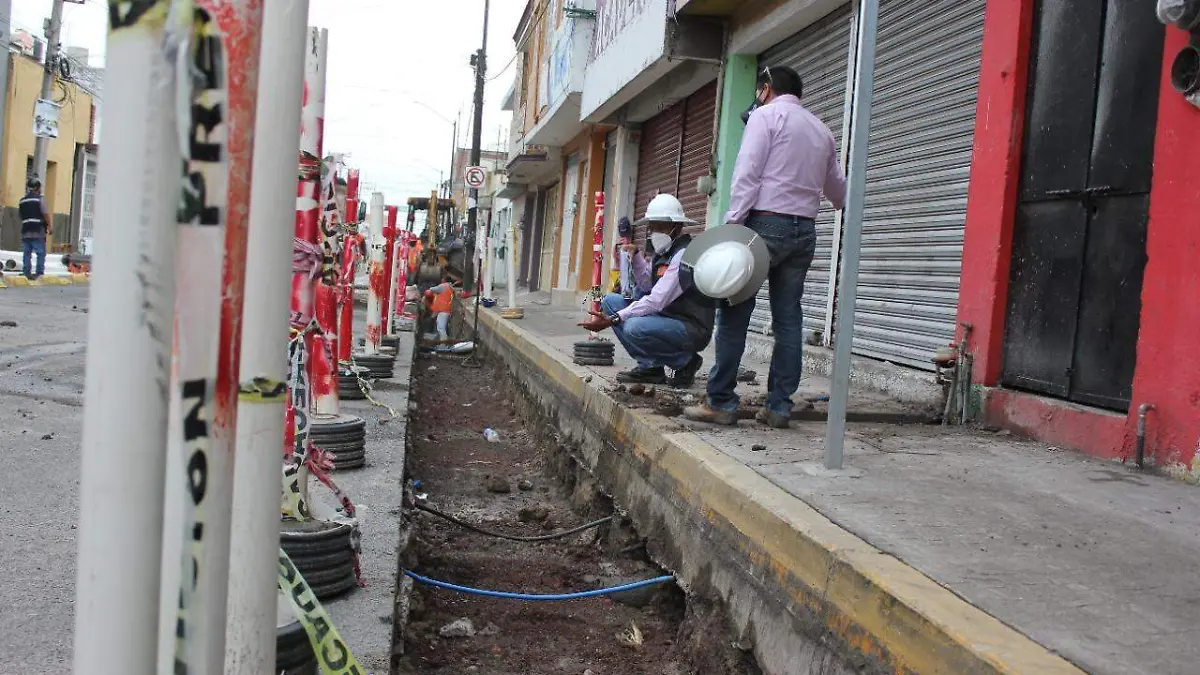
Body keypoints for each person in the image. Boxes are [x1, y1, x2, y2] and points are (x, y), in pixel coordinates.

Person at [685, 65, 847, 428]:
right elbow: (839, 193)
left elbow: (748, 174)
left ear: (766, 88)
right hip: (804, 231)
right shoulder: (822, 130)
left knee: (734, 312)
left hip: (763, 224)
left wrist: (732, 225)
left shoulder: (765, 117)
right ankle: (779, 407)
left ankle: (721, 402)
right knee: (788, 319)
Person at [579, 194, 712, 387]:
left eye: (660, 227)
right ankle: (650, 367)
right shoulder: (663, 252)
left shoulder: (684, 255)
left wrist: (614, 319)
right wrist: (635, 258)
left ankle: (686, 362)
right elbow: (646, 285)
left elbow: (656, 300)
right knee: (610, 302)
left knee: (633, 326)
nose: (654, 232)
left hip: (690, 327)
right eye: (652, 227)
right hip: (666, 318)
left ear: (677, 227)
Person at [19, 179, 52, 280]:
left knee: (26, 253)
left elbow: (20, 215)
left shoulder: (22, 200)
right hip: (38, 230)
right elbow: (45, 214)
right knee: (40, 252)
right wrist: (50, 226)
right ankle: (39, 273)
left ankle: (26, 272)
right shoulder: (39, 199)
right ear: (38, 188)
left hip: (25, 230)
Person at [424, 275, 459, 342]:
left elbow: (432, 289)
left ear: (445, 280)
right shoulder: (450, 287)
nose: (441, 280)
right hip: (446, 309)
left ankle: (444, 343)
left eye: (442, 279)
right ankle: (441, 341)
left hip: (443, 310)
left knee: (441, 328)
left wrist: (428, 291)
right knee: (440, 327)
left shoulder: (443, 286)